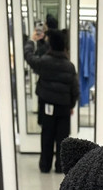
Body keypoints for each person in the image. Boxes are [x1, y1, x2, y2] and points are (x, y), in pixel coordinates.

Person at [24, 28, 79, 173]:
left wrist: (31, 41)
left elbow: (29, 57)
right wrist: (71, 105)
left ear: (51, 45)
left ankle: (45, 165)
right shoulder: (69, 66)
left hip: (47, 105)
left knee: (47, 136)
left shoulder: (44, 62)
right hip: (64, 107)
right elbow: (75, 89)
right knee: (62, 138)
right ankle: (60, 166)